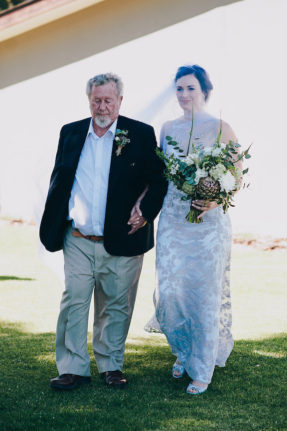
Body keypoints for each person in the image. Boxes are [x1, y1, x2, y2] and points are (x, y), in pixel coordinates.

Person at [40, 73, 167, 390]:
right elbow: (60, 180)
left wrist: (145, 211)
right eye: (96, 99)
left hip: (123, 237)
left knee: (116, 304)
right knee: (75, 301)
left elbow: (159, 180)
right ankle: (72, 367)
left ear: (120, 101)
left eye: (108, 100)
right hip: (79, 237)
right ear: (89, 100)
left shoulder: (138, 134)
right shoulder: (71, 133)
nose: (102, 106)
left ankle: (111, 365)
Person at [130, 65, 239, 395]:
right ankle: (183, 352)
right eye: (179, 89)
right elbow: (160, 176)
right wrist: (141, 204)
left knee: (203, 295)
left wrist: (215, 199)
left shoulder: (221, 128)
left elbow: (235, 177)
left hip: (208, 225)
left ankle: (202, 368)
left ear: (205, 90)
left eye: (190, 88)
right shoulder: (167, 129)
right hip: (175, 222)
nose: (184, 95)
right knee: (174, 293)